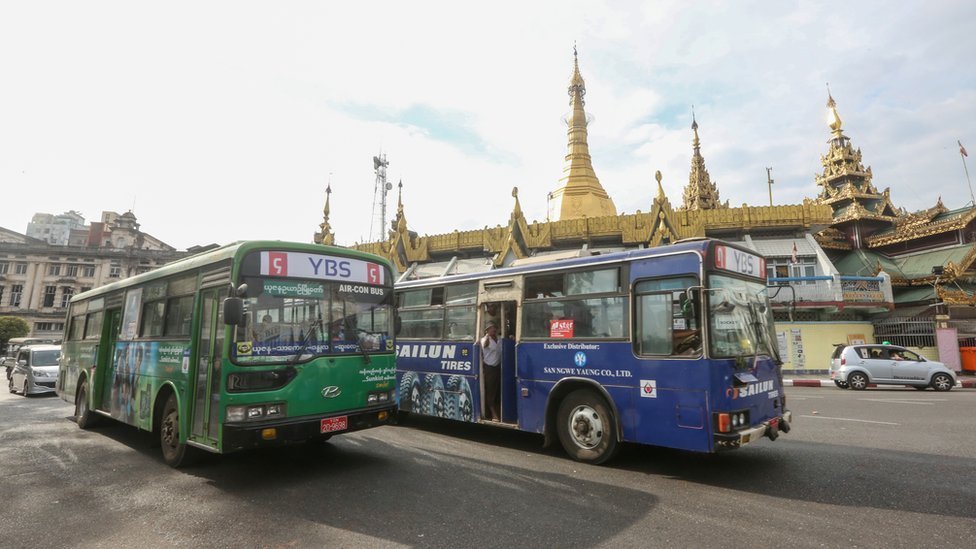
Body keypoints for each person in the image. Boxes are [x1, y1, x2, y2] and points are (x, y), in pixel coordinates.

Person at [481, 322, 501, 421]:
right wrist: (487, 338)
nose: (493, 329)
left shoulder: (499, 339)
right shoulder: (485, 340)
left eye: (494, 328)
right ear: (487, 330)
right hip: (489, 368)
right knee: (491, 392)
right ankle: (493, 414)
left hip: (498, 367)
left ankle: (498, 412)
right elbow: (483, 346)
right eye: (491, 328)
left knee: (497, 391)